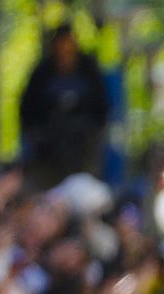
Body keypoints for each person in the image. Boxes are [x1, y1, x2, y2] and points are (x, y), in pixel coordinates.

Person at [19, 24, 109, 189]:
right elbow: (28, 111)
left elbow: (101, 110)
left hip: (82, 149)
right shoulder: (41, 74)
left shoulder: (89, 72)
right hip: (47, 153)